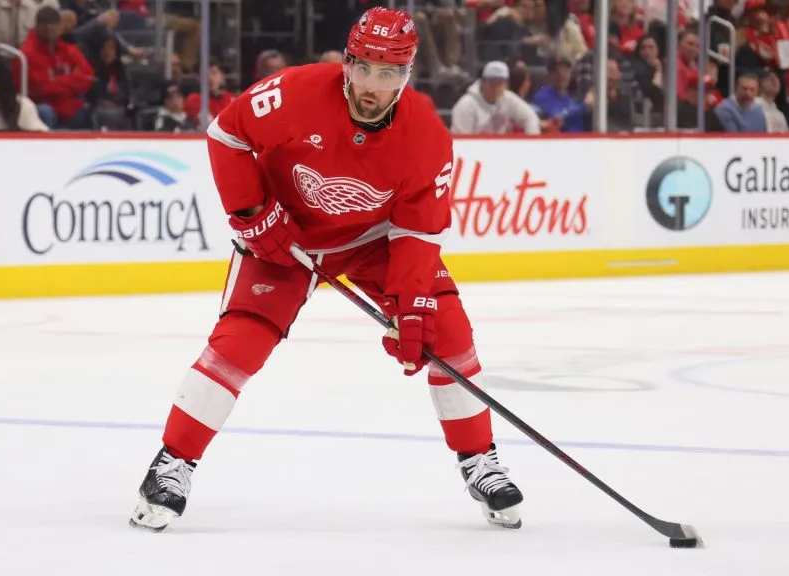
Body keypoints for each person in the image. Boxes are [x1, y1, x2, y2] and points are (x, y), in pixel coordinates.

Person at [128, 6, 524, 533]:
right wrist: (249, 212)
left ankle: (479, 459)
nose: (371, 86)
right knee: (240, 341)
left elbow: (418, 231)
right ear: (347, 62)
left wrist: (410, 306)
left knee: (447, 333)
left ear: (406, 75)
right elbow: (226, 134)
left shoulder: (426, 137)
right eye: (362, 68)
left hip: (372, 242)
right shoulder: (294, 94)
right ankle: (173, 462)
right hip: (283, 236)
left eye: (387, 74)